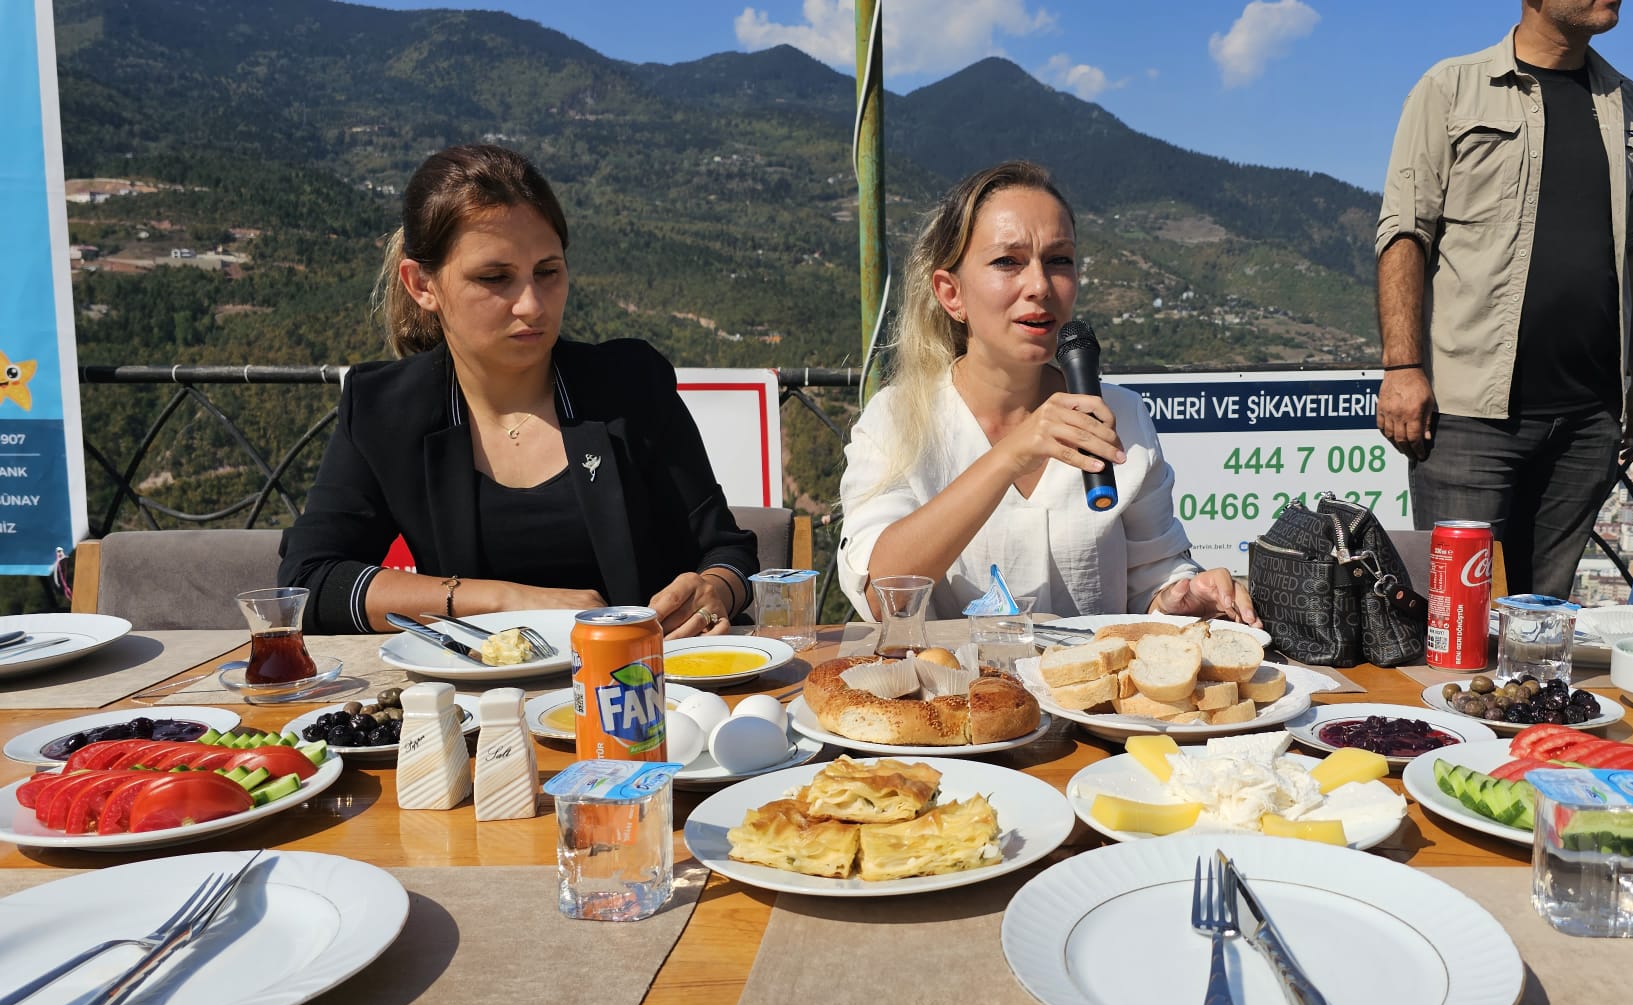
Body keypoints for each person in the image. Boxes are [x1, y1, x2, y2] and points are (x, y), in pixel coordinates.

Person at [278, 144, 758, 636]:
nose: (531, 304)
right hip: (475, 707)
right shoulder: (385, 410)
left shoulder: (631, 386)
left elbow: (731, 553)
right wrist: (501, 601)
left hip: (637, 692)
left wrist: (716, 590)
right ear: (422, 285)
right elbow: (311, 580)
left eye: (547, 272)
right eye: (495, 278)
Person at [836, 160, 1257, 624]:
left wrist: (1181, 596)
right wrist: (1010, 455)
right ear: (950, 293)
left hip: (1092, 694)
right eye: (1007, 262)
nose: (1039, 285)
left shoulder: (1121, 414)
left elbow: (1154, 575)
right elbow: (883, 593)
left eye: (1058, 260)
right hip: (953, 693)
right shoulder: (897, 421)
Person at [1375, 0, 1633, 598]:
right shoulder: (1450, 87)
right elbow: (1405, 231)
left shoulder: (1626, 101)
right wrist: (1403, 367)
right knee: (1457, 615)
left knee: (1540, 613)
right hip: (1472, 414)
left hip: (1590, 415)